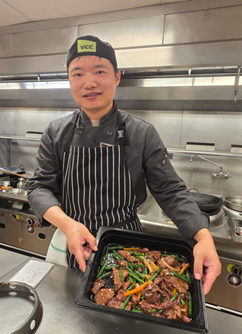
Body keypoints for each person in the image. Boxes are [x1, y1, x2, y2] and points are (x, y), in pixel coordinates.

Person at [27, 35, 221, 295]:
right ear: (70, 80)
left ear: (117, 77)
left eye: (99, 71)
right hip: (74, 241)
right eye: (78, 74)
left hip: (126, 246)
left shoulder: (142, 133)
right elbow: (39, 188)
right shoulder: (56, 132)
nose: (90, 82)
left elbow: (171, 191)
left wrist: (204, 237)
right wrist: (68, 225)